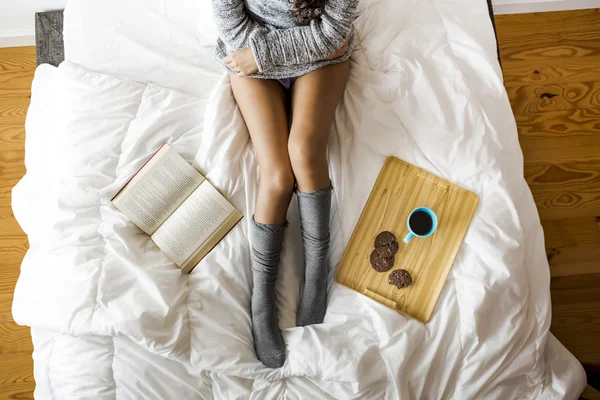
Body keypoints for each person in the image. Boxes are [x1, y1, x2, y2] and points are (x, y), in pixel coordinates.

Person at [213, 0, 358, 368]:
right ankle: (262, 301)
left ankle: (316, 273)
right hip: (250, 61)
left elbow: (335, 33)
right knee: (277, 177)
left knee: (304, 152)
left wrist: (261, 54)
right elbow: (231, 30)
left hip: (307, 61)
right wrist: (266, 56)